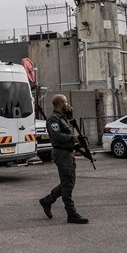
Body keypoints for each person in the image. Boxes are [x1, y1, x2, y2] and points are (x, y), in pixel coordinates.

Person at [38, 94, 89, 224]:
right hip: (61, 154)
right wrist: (73, 138)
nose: (68, 104)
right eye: (66, 102)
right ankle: (71, 213)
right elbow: (56, 136)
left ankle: (47, 200)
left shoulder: (63, 118)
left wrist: (77, 143)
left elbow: (66, 134)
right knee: (67, 184)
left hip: (67, 153)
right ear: (60, 104)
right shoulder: (53, 119)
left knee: (68, 182)